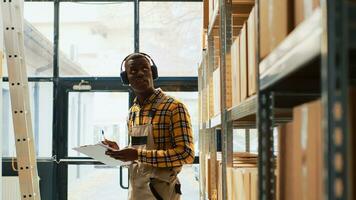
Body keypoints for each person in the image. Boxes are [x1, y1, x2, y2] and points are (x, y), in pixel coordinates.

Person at [103, 52, 195, 200]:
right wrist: (120, 152)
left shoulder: (174, 107)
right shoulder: (132, 112)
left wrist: (138, 155)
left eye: (145, 69)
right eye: (133, 71)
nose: (140, 73)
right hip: (136, 190)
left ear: (153, 72)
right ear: (126, 78)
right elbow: (137, 155)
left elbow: (186, 154)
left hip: (162, 193)